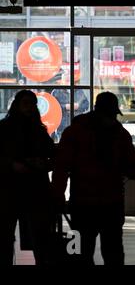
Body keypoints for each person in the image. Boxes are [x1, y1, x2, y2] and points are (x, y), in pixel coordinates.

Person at [52, 91, 135, 265]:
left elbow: (62, 167)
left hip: (81, 203)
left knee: (80, 253)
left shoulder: (74, 131)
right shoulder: (120, 134)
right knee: (113, 251)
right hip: (112, 203)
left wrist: (57, 195)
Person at [0, 90, 55, 265]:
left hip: (13, 188)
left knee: (13, 236)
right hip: (28, 187)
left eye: (32, 104)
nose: (30, 107)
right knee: (37, 236)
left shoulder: (5, 128)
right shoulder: (37, 130)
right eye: (26, 103)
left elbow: (52, 155)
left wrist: (43, 164)